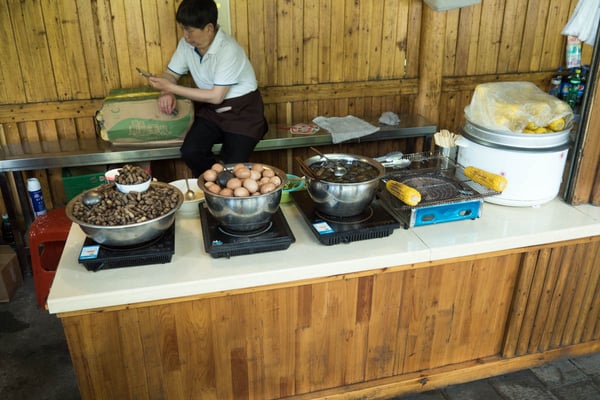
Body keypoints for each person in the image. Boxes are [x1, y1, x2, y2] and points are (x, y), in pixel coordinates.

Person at [147, 0, 268, 177]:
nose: (185, 35)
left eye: (189, 30)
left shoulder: (228, 49)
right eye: (183, 29)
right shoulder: (186, 45)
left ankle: (224, 182)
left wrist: (171, 87)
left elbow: (217, 96)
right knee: (191, 151)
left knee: (233, 167)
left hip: (243, 113)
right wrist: (166, 91)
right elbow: (171, 74)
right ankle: (214, 183)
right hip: (212, 111)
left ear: (209, 28)